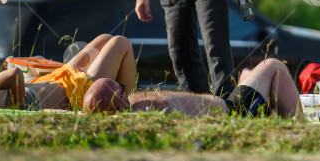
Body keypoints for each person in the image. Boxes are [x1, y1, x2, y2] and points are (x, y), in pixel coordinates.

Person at [83, 58, 303, 118]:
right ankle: (300, 126)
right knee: (273, 65)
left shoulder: (130, 107)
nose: (126, 90)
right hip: (235, 112)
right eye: (121, 89)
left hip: (226, 105)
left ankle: (282, 116)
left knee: (253, 73)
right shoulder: (144, 115)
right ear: (117, 102)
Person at [0, 34, 137, 111]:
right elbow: (14, 76)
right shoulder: (8, 106)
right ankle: (125, 99)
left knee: (104, 38)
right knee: (120, 43)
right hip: (77, 92)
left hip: (60, 77)